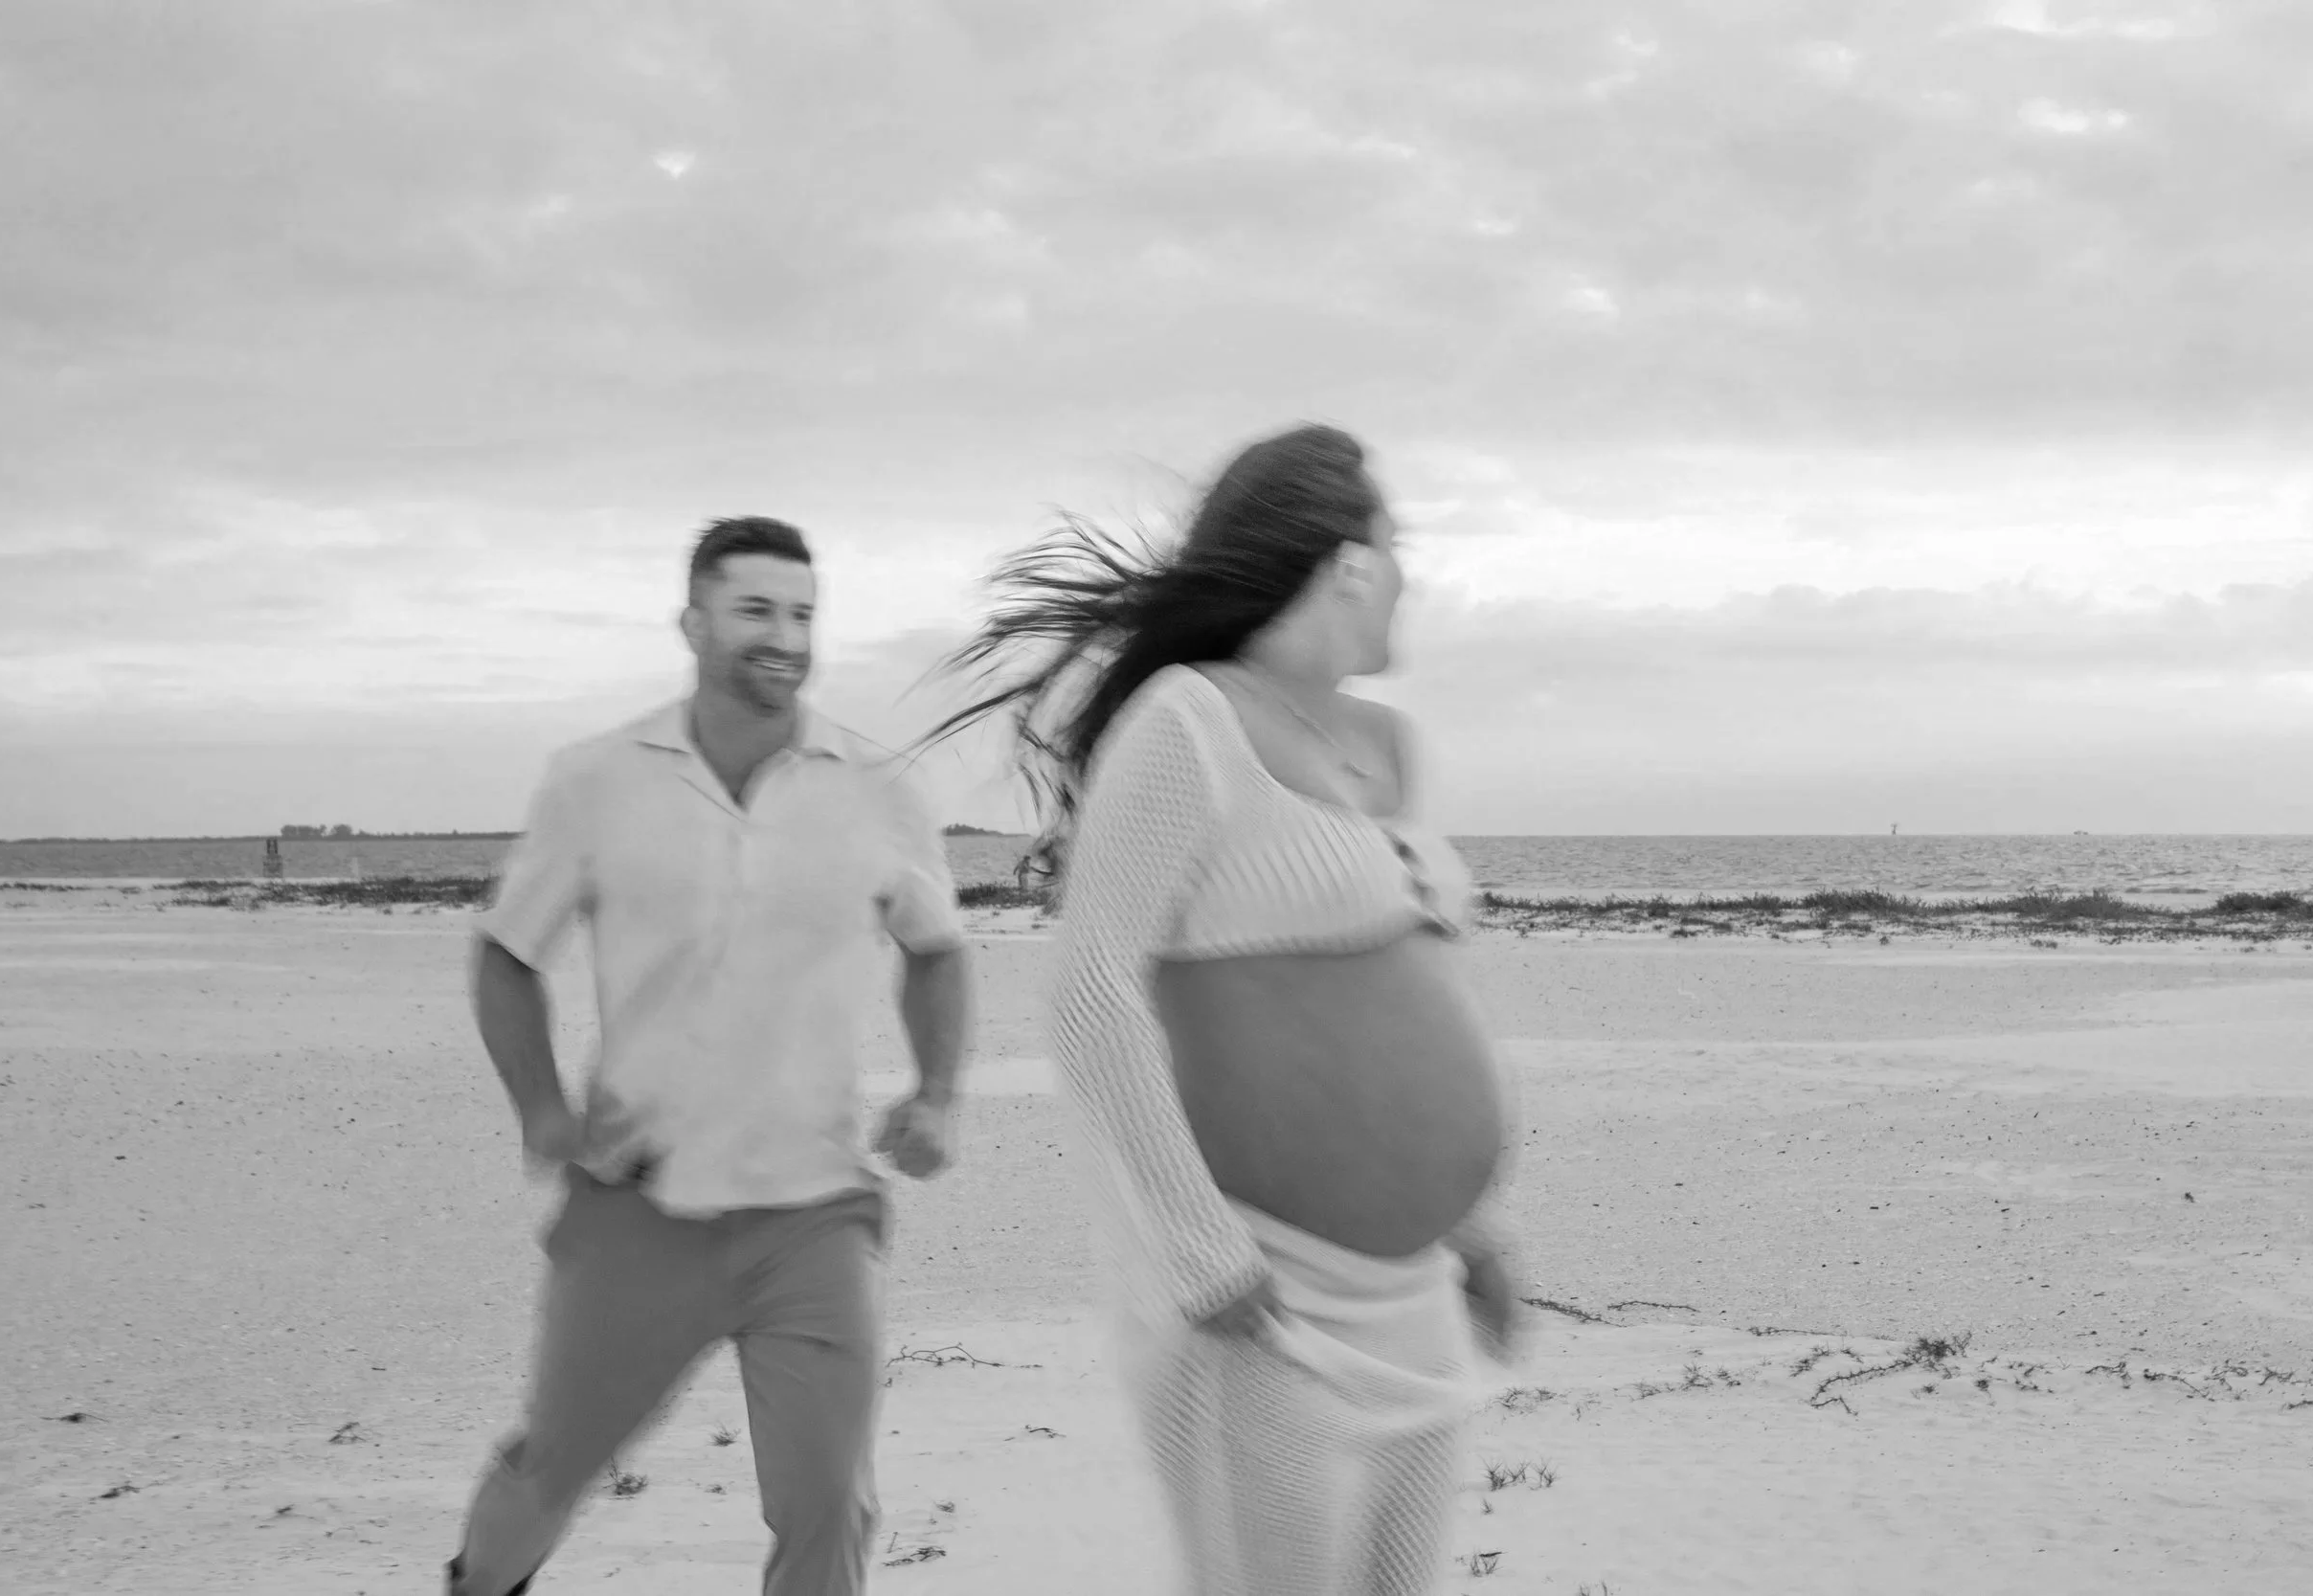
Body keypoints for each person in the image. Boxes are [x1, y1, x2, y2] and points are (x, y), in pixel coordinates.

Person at [931, 426, 1518, 1595]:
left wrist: (1476, 1223)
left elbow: (1408, 997)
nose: (1412, 577)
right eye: (1400, 547)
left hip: (1410, 1296)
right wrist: (1202, 1250)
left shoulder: (1388, 744)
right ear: (1350, 561)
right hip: (1268, 1301)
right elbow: (1095, 992)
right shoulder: (1185, 722)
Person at [446, 517, 973, 1596]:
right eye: (755, 610)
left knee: (829, 1505)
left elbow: (937, 951)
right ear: (693, 621)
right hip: (640, 1206)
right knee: (549, 1469)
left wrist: (939, 1092)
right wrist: (546, 1118)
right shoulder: (595, 778)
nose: (783, 636)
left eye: (801, 614)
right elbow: (506, 955)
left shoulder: (877, 786)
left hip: (814, 1211)